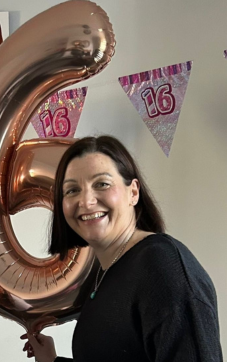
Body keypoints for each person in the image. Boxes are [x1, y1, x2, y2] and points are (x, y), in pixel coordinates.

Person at [21, 136, 222, 361]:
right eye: (71, 190)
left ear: (133, 192)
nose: (86, 201)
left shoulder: (162, 267)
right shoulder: (104, 272)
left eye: (102, 184)